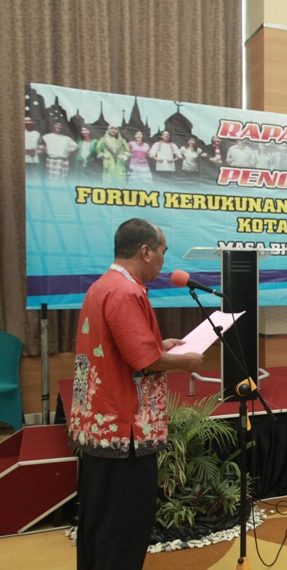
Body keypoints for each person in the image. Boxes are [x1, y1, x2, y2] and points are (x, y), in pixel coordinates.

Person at [69, 218, 204, 570]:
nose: (163, 260)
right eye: (162, 251)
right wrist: (184, 360)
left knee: (99, 523)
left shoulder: (103, 285)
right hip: (124, 430)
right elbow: (145, 362)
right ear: (145, 251)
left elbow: (121, 350)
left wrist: (162, 345)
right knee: (124, 526)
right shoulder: (126, 292)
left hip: (100, 426)